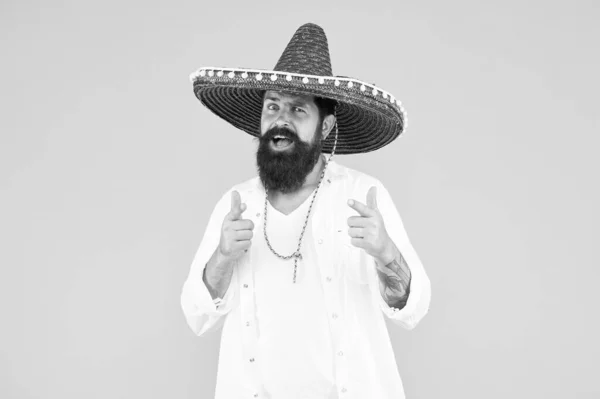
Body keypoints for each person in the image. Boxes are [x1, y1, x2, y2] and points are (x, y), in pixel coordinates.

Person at [181, 23, 431, 399]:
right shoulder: (236, 205)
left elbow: (413, 308)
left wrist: (386, 255)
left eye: (298, 109)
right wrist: (222, 257)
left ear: (326, 125)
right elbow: (197, 316)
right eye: (273, 106)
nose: (281, 119)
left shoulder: (363, 196)